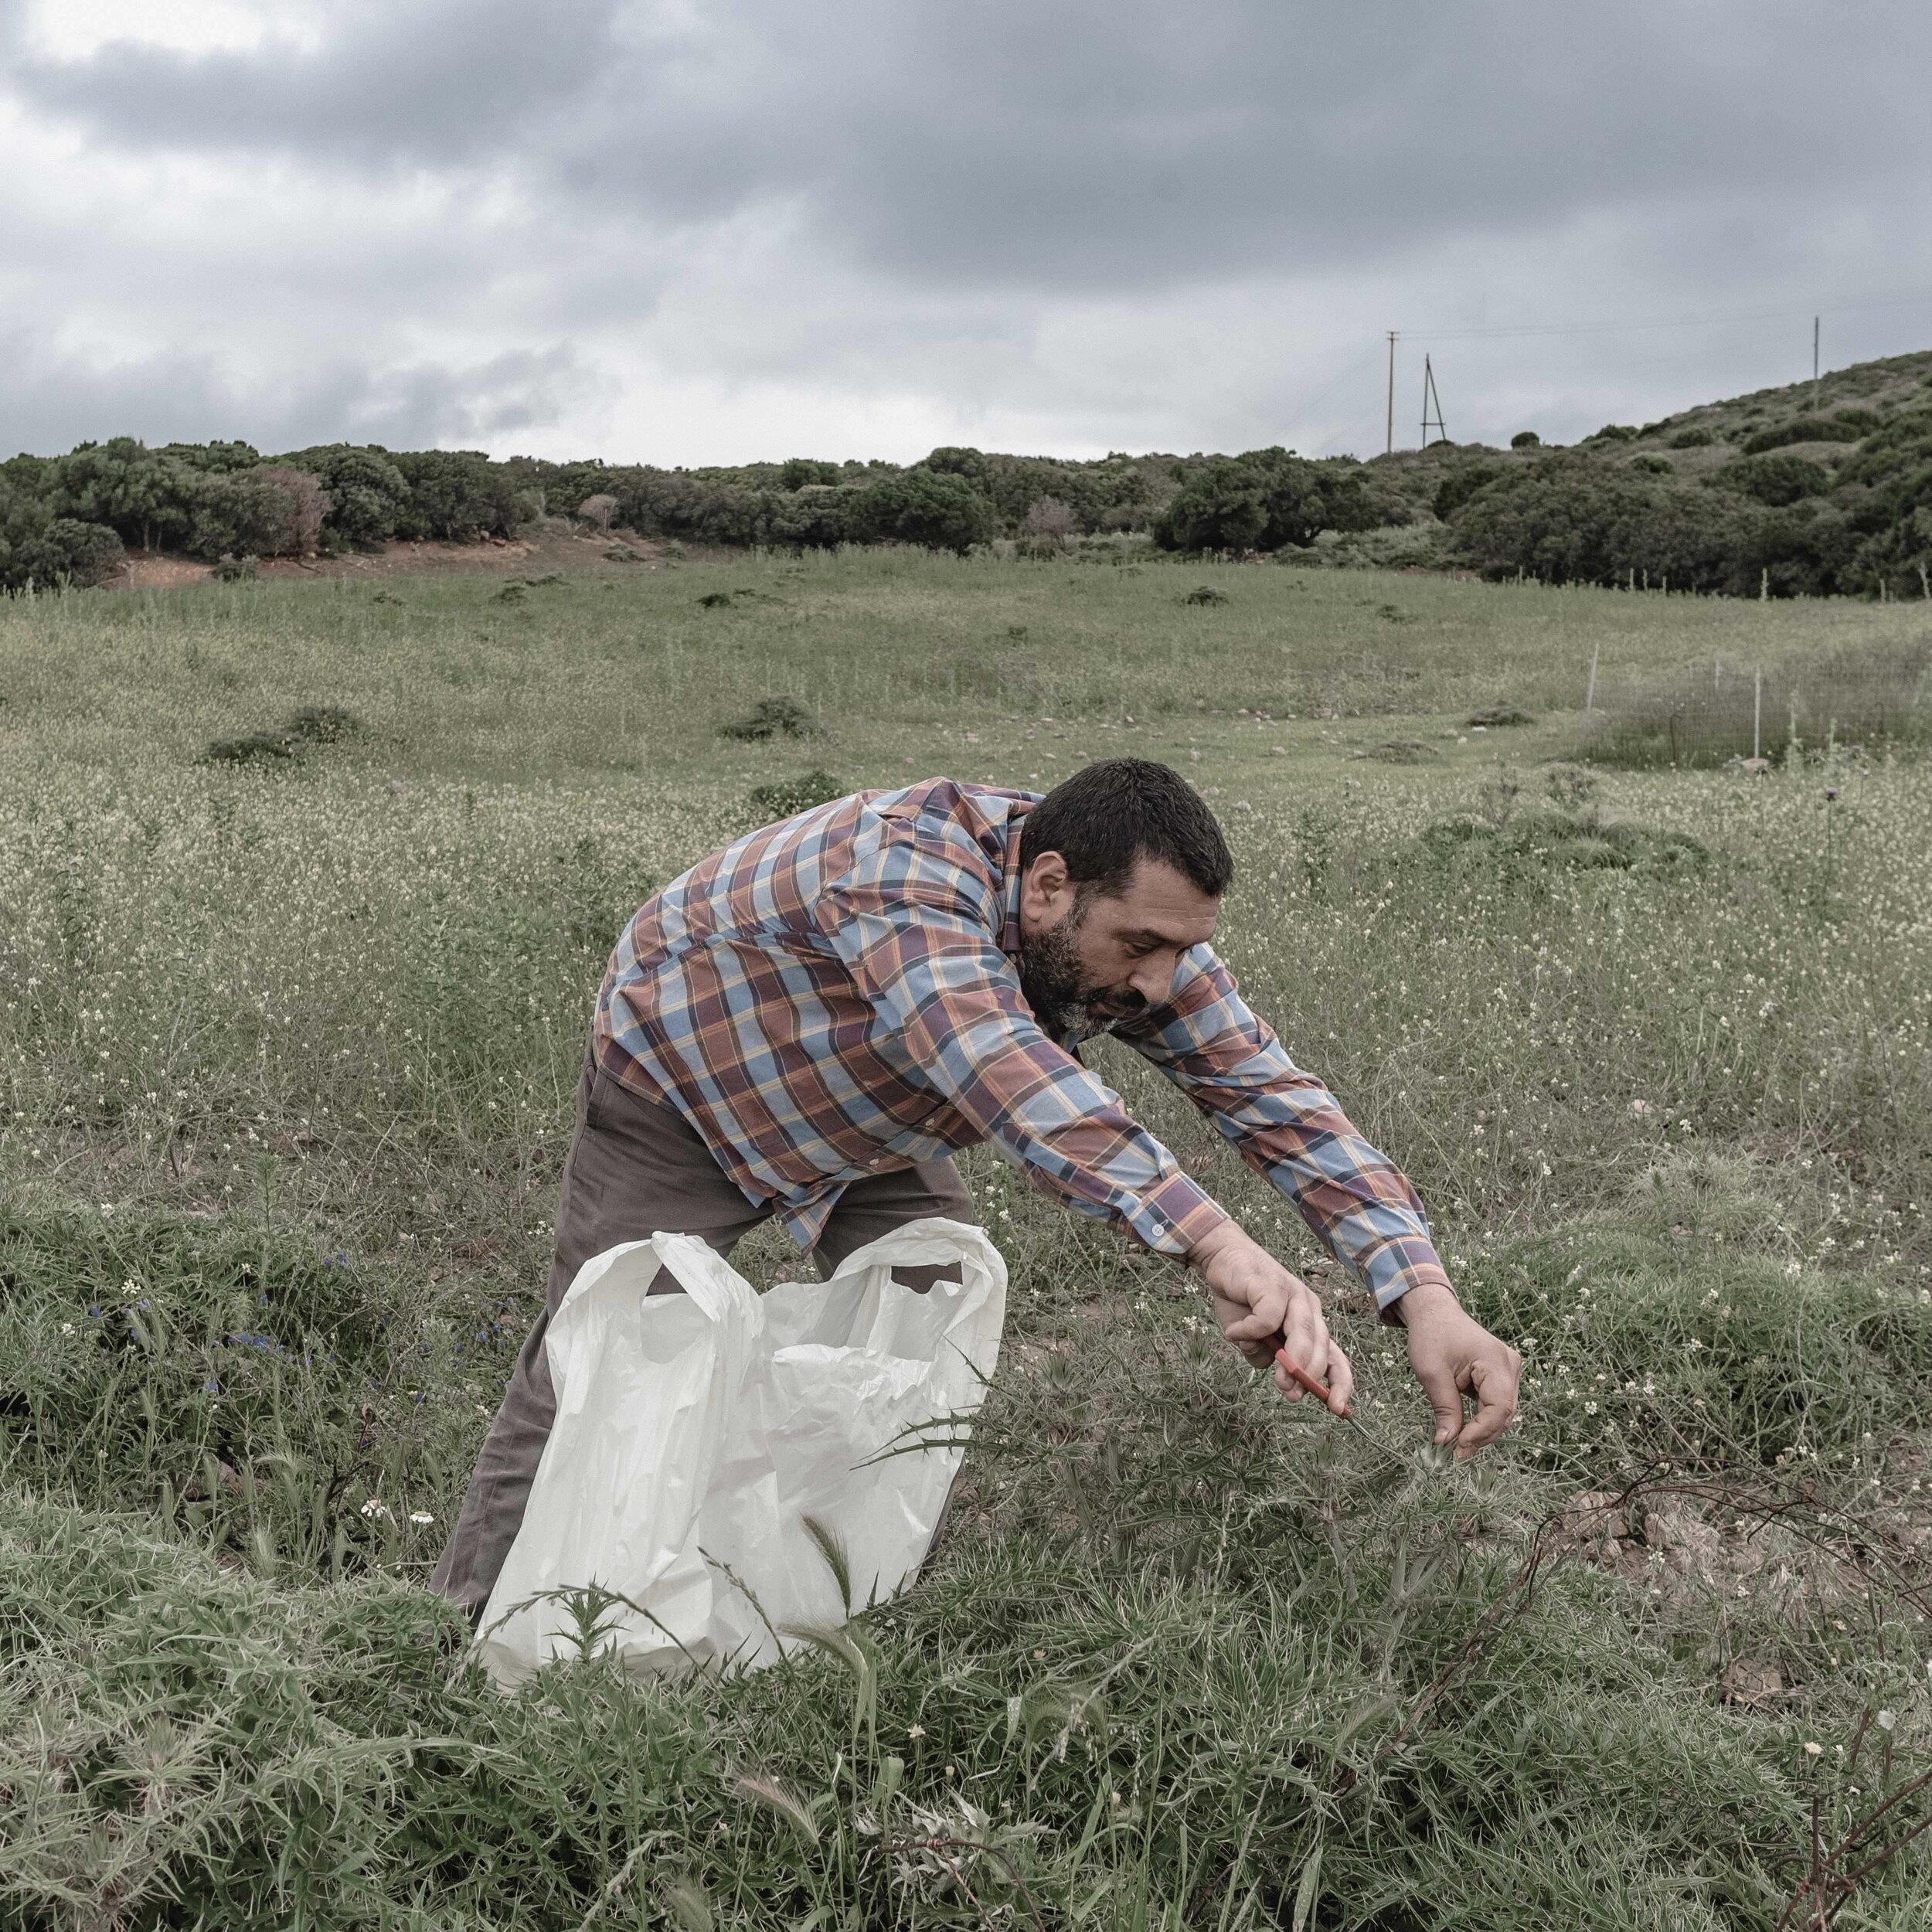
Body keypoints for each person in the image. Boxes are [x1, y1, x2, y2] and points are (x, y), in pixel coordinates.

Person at [433, 759, 1520, 1617]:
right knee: (599, 1358)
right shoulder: (900, 872)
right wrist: (1219, 1246)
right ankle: (459, 1634)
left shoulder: (1133, 942)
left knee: (930, 1320)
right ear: (1048, 887)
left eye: (1181, 951)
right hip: (689, 1088)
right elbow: (1004, 1073)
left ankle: (819, 1594)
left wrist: (1425, 1296)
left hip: (871, 1122)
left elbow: (1276, 1103)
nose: (1158, 982)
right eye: (1141, 944)